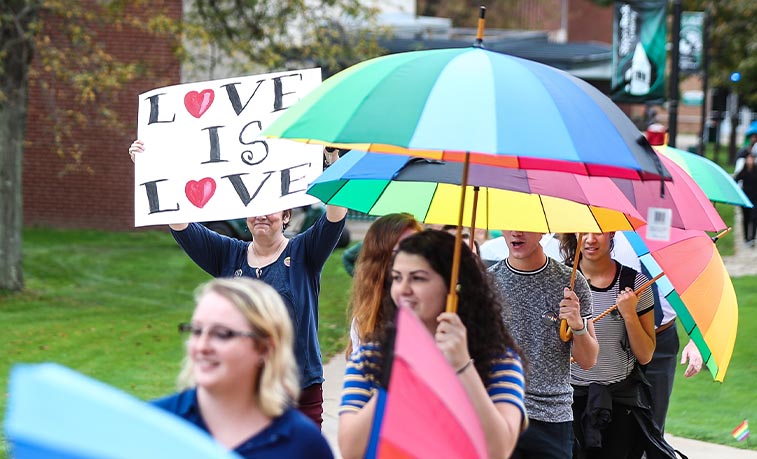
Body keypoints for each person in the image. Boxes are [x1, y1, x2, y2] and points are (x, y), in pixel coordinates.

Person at [130, 140, 347, 427]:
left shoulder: (304, 252)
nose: (261, 215)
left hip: (297, 390)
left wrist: (334, 163)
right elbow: (179, 222)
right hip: (241, 391)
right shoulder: (227, 255)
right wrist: (150, 170)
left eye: (271, 208)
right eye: (254, 207)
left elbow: (335, 216)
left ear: (285, 216)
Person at [338, 230, 528, 459]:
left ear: (453, 287)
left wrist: (462, 367)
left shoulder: (499, 361)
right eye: (397, 277)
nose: (403, 290)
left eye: (418, 278)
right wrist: (395, 371)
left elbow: (498, 451)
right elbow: (351, 451)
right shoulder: (370, 357)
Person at [152, 277, 334, 459]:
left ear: (264, 348)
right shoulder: (153, 424)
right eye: (197, 331)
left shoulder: (303, 445)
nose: (202, 346)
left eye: (222, 334)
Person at [558, 233, 678, 458]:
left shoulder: (635, 284)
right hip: (569, 404)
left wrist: (629, 314)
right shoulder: (560, 281)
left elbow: (645, 355)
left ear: (612, 233)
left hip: (620, 406)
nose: (590, 239)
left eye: (599, 232)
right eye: (583, 231)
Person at [488, 230, 598, 459]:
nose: (515, 232)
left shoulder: (571, 282)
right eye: (509, 223)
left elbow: (588, 360)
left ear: (543, 230)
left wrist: (577, 324)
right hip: (498, 412)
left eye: (524, 224)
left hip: (552, 418)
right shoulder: (486, 283)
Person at [611, 232, 703, 434]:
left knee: (653, 430)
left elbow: (699, 281)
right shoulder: (604, 228)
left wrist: (696, 339)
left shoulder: (673, 228)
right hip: (616, 340)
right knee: (613, 431)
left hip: (661, 339)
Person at [344, 213, 423, 356]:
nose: (413, 257)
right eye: (401, 252)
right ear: (381, 262)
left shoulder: (439, 313)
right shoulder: (364, 322)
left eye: (418, 248)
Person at [735, 153, 757, 246]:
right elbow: (735, 180)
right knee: (746, 218)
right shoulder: (743, 171)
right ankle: (746, 238)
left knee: (754, 218)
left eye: (751, 159)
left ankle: (752, 238)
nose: (750, 161)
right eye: (748, 159)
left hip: (755, 198)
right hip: (745, 198)